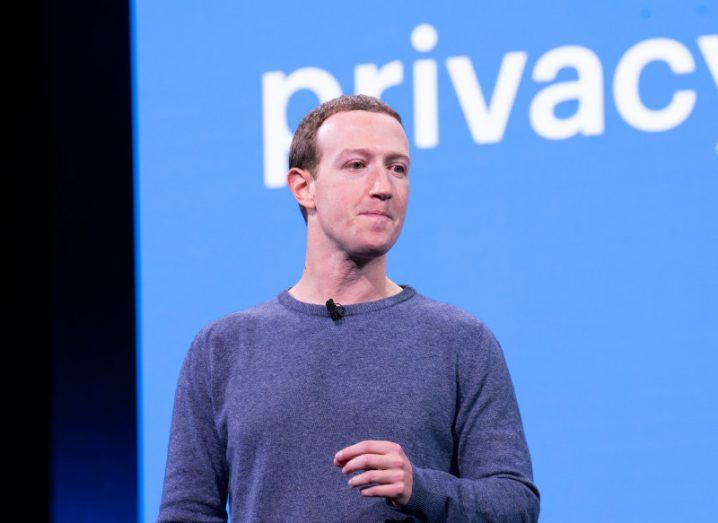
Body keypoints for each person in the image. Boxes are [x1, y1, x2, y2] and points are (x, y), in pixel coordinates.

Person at [158, 95, 540, 522]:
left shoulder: (460, 341)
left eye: (398, 168)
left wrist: (421, 488)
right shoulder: (222, 349)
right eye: (357, 165)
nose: (383, 186)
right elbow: (187, 513)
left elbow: (515, 506)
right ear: (305, 187)